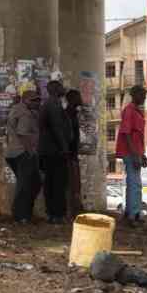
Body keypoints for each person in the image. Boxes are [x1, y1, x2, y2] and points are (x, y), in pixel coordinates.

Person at [38, 80, 71, 224]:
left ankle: (53, 213)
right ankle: (57, 214)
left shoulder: (51, 104)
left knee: (51, 182)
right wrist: (64, 147)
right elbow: (57, 128)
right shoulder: (53, 104)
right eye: (60, 86)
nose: (63, 88)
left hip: (48, 150)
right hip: (54, 151)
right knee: (58, 182)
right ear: (55, 89)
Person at [5, 91, 41, 223]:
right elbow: (22, 134)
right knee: (27, 184)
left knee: (31, 183)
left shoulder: (17, 108)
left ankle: (24, 213)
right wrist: (30, 150)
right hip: (22, 153)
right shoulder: (25, 114)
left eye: (38, 100)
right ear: (26, 101)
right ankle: (21, 216)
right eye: (35, 100)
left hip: (13, 152)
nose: (38, 102)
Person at [117, 85, 147, 225]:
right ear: (135, 95)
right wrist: (135, 155)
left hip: (135, 152)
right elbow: (127, 134)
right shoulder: (129, 111)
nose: (145, 97)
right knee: (134, 184)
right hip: (130, 153)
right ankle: (133, 215)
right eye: (142, 94)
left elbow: (138, 137)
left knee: (135, 184)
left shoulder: (137, 111)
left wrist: (142, 155)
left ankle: (132, 212)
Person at [64, 89, 83, 217]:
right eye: (78, 97)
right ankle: (71, 211)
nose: (80, 99)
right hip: (69, 154)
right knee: (71, 184)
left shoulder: (73, 114)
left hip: (72, 154)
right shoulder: (68, 114)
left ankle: (74, 210)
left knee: (75, 184)